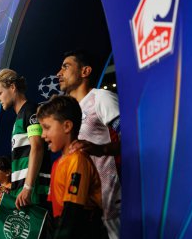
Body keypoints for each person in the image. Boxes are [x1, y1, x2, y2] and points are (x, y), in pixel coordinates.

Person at [57, 49, 121, 239]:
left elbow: (135, 139)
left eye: (65, 67)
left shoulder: (100, 98)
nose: (59, 73)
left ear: (85, 71)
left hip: (113, 205)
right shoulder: (69, 113)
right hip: (88, 208)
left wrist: (101, 149)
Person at [37, 95, 108, 238]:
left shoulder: (77, 160)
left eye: (47, 128)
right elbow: (53, 213)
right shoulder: (57, 164)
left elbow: (73, 213)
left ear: (67, 126)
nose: (43, 135)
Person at [0, 69, 51, 210]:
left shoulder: (30, 111)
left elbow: (38, 147)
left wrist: (28, 187)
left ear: (12, 87)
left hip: (34, 191)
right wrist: (13, 189)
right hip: (26, 191)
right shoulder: (21, 115)